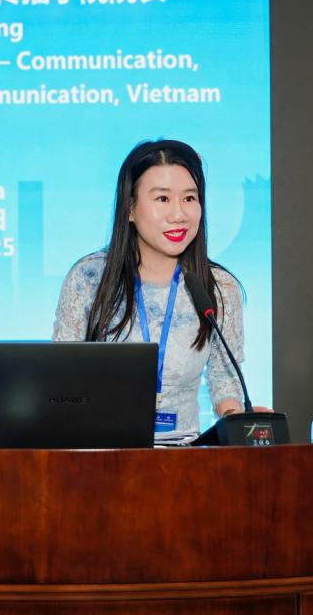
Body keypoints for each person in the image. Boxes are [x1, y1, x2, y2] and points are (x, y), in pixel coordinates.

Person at [52, 139, 248, 433]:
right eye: (163, 199)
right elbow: (61, 378)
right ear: (130, 208)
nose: (179, 214)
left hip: (186, 452)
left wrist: (238, 421)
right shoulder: (89, 278)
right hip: (105, 448)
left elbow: (224, 380)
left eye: (189, 198)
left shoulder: (218, 287)